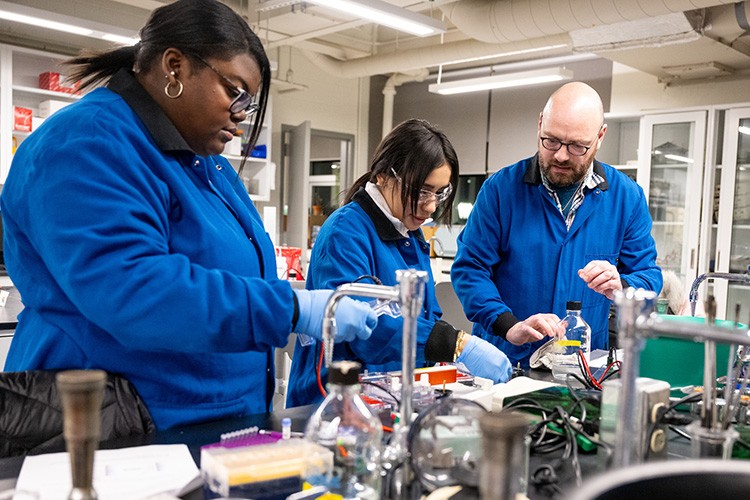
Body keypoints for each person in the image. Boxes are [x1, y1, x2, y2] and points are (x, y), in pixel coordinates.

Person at [0, 0, 376, 430]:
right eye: (235, 92)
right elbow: (136, 290)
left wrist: (290, 306)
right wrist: (291, 309)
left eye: (248, 104)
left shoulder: (203, 161)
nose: (240, 117)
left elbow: (229, 271)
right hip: (121, 427)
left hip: (210, 420)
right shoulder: (84, 143)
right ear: (175, 67)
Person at [287, 119, 512, 408]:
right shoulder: (345, 232)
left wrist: (449, 365)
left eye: (440, 193)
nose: (431, 206)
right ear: (382, 175)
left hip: (388, 398)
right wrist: (455, 344)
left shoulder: (410, 234)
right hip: (334, 403)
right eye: (421, 191)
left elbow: (424, 317)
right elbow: (364, 326)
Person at [451, 82, 662, 369]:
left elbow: (647, 275)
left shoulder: (626, 198)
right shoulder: (500, 191)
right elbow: (470, 269)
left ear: (600, 137)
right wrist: (507, 325)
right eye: (550, 140)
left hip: (583, 365)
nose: (561, 155)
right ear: (540, 124)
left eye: (577, 146)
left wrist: (622, 286)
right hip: (504, 360)